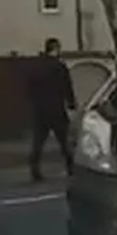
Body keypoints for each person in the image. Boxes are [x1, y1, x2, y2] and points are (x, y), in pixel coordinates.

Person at [26, 37, 76, 182]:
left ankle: (35, 171)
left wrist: (34, 102)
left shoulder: (37, 67)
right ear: (55, 49)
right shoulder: (60, 67)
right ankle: (71, 168)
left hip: (40, 110)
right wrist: (72, 104)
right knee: (64, 141)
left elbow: (30, 88)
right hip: (56, 109)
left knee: (38, 142)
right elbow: (68, 87)